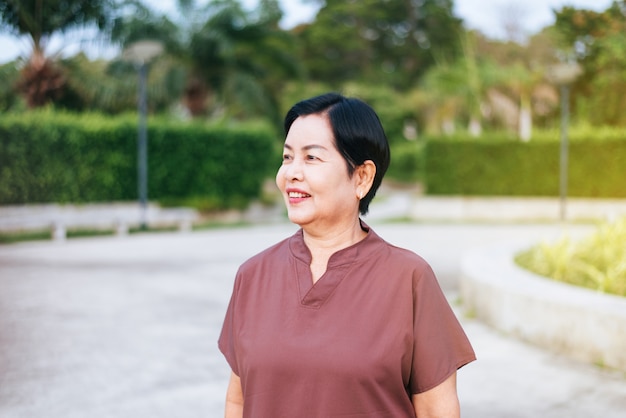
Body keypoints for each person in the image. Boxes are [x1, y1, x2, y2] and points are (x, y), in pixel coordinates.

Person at [218, 92, 476, 417]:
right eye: (287, 158)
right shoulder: (253, 275)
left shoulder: (408, 278)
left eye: (311, 158)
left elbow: (435, 410)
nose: (291, 173)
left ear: (362, 177)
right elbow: (238, 400)